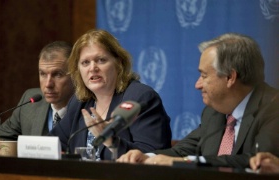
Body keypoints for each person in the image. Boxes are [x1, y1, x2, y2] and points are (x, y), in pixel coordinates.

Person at [117, 33, 279, 168]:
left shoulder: (273, 108)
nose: (197, 84)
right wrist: (146, 157)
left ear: (230, 77)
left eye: (204, 75)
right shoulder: (214, 112)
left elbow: (258, 161)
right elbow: (183, 151)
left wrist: (186, 163)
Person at [49, 29, 172, 160]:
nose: (92, 68)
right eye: (85, 63)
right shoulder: (80, 102)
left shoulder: (140, 97)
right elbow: (54, 143)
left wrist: (111, 141)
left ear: (118, 63)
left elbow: (149, 155)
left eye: (101, 60)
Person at [0, 41, 75, 155]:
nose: (48, 84)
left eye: (57, 74)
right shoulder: (30, 102)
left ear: (75, 75)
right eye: (43, 74)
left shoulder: (88, 108)